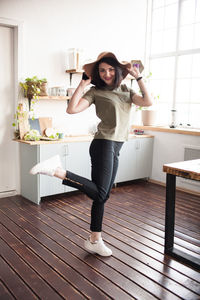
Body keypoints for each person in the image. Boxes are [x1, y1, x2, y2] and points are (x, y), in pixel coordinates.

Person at [30, 51, 152, 256]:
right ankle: (57, 170)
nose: (106, 73)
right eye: (102, 70)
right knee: (102, 193)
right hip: (103, 143)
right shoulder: (96, 92)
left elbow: (147, 102)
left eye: (111, 69)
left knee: (101, 196)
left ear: (118, 70)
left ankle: (95, 239)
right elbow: (72, 109)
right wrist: (82, 85)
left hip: (117, 145)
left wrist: (137, 76)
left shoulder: (126, 90)